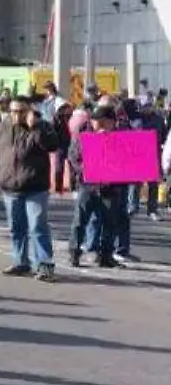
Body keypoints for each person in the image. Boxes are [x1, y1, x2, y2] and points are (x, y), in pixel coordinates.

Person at [0, 96, 61, 281]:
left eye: (21, 111)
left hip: (35, 187)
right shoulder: (3, 127)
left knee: (37, 226)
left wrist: (36, 127)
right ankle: (21, 261)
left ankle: (44, 265)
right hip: (10, 187)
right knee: (16, 227)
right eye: (13, 111)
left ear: (29, 111)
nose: (16, 115)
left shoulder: (41, 127)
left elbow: (52, 145)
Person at [68, 104, 129, 269]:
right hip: (88, 185)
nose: (101, 126)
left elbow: (127, 160)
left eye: (106, 122)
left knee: (110, 223)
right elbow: (74, 157)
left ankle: (106, 255)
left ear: (113, 122)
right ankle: (74, 252)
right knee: (80, 220)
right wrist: (86, 170)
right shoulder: (83, 136)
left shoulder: (120, 138)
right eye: (98, 122)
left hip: (111, 187)